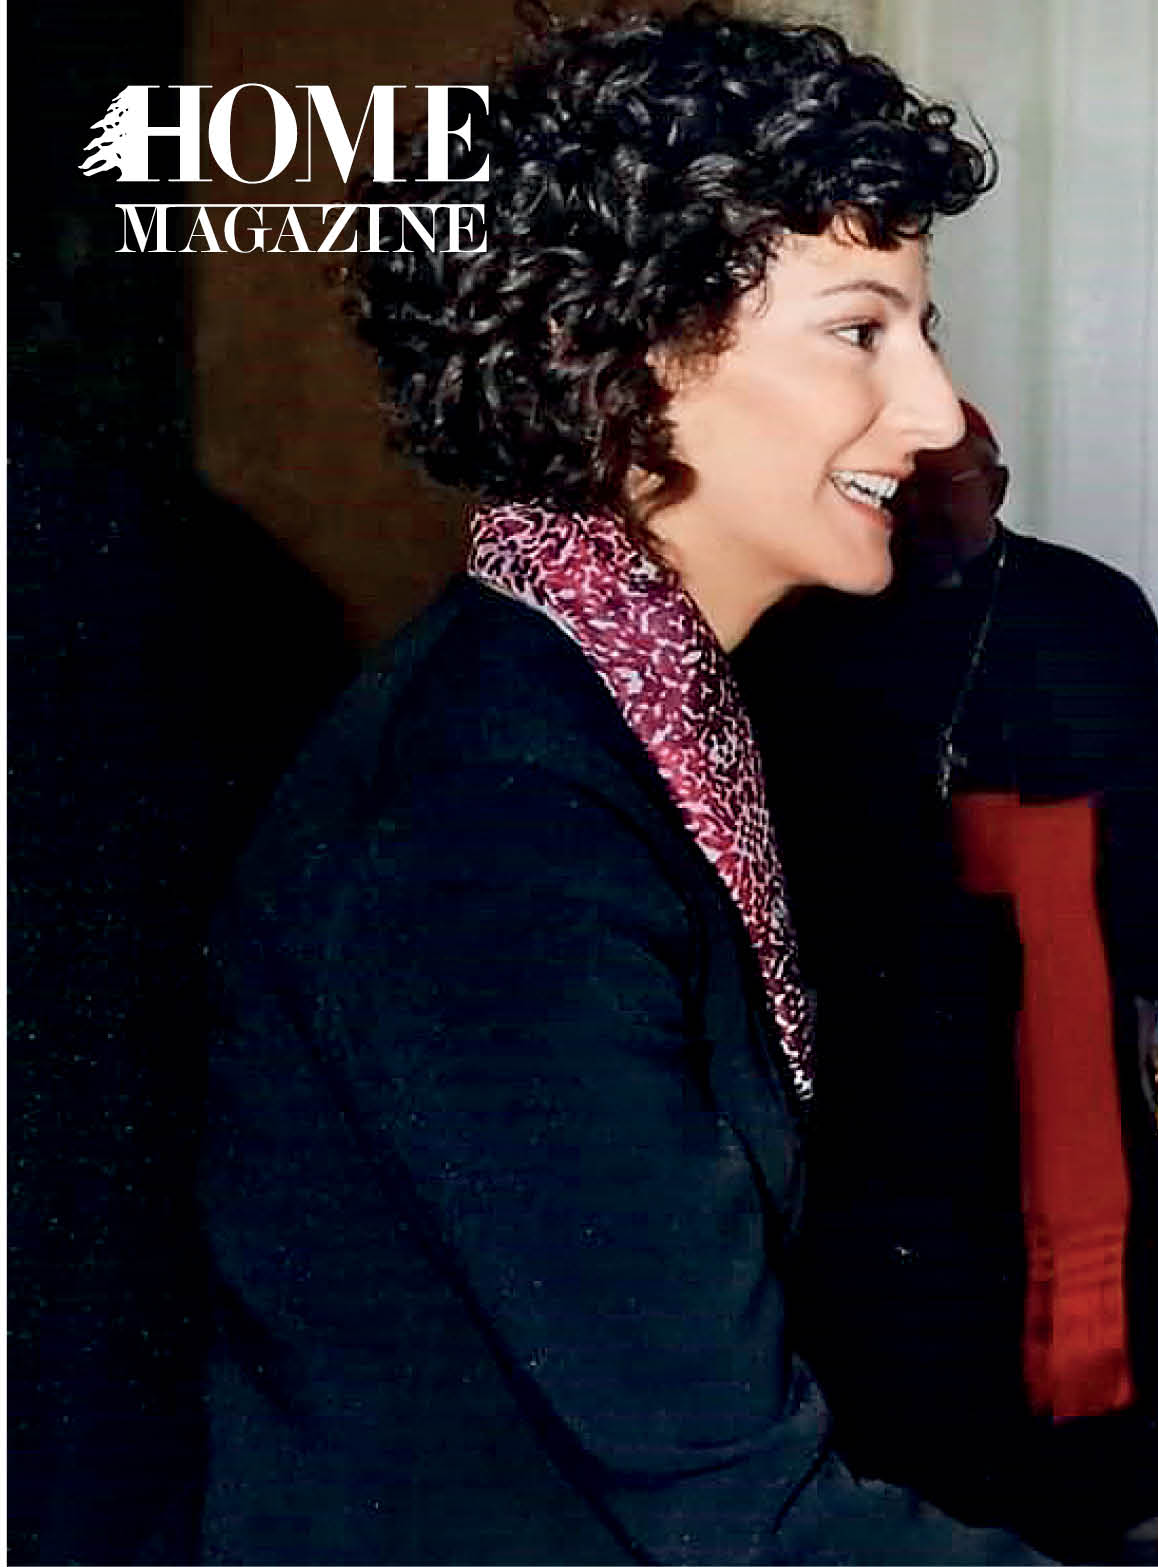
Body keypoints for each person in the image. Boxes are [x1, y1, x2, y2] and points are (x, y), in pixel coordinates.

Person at [197, 10, 1038, 1562]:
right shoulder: (496, 816)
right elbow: (736, 1503)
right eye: (863, 331)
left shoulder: (595, 707)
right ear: (634, 350)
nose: (933, 414)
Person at [734, 400, 1158, 1558]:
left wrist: (1142, 981)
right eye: (909, 487)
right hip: (888, 1002)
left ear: (998, 486)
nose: (930, 509)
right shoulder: (820, 610)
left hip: (1055, 994)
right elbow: (789, 819)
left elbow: (1152, 822)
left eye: (952, 485)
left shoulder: (1089, 603)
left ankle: (1079, 1489)